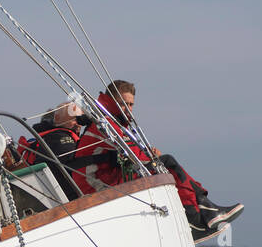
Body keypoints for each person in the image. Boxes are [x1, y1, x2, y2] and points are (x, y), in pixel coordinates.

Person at [85, 80, 243, 238]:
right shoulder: (105, 124)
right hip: (95, 185)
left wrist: (150, 155)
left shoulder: (113, 123)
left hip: (109, 178)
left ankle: (205, 211)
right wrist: (154, 156)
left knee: (164, 163)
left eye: (131, 104)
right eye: (123, 104)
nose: (128, 109)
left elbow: (130, 153)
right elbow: (134, 156)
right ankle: (196, 218)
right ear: (112, 102)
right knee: (167, 162)